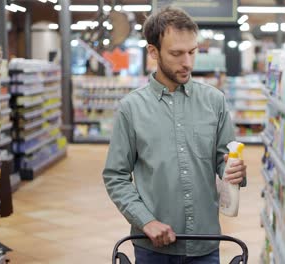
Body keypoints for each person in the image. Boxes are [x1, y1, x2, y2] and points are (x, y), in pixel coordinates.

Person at [103, 6, 247, 263]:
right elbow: (116, 176)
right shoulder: (131, 109)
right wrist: (145, 221)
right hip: (152, 248)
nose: (188, 63)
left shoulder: (215, 101)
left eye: (192, 52)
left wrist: (234, 173)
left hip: (205, 244)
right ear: (153, 52)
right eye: (176, 54)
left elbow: (224, 162)